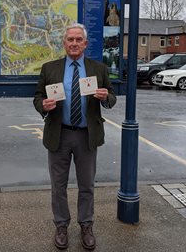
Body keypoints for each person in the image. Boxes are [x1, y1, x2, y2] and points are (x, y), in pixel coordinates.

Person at [33, 23, 117, 250]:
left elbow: (112, 96)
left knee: (86, 185)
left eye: (79, 39)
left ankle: (86, 225)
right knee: (58, 186)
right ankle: (61, 225)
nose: (74, 43)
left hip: (86, 136)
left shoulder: (98, 69)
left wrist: (105, 96)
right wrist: (43, 104)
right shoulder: (49, 68)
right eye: (70, 39)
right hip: (58, 134)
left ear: (85, 44)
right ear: (64, 43)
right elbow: (38, 96)